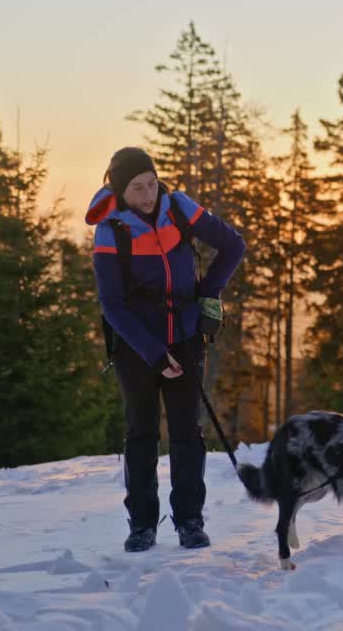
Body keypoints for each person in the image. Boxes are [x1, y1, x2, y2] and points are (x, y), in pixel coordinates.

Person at [85, 146, 246, 552]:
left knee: (187, 433)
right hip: (136, 347)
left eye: (152, 183)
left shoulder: (178, 209)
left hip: (186, 337)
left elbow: (233, 245)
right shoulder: (111, 231)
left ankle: (190, 521)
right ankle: (142, 525)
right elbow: (113, 306)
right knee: (140, 433)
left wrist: (207, 293)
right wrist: (156, 354)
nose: (148, 194)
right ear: (120, 192)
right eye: (137, 188)